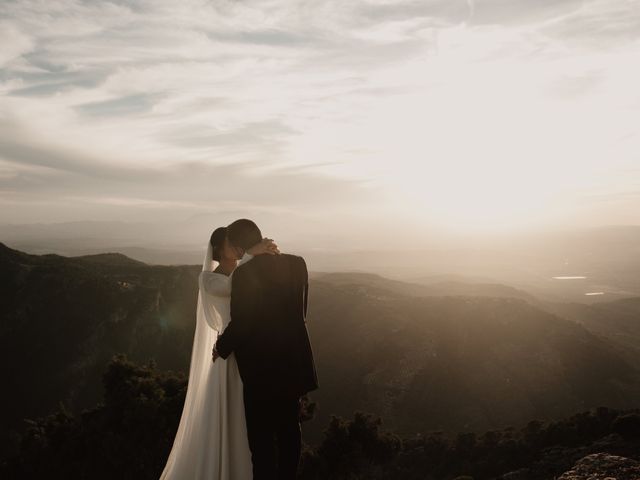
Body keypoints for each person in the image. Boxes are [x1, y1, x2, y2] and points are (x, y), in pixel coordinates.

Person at [159, 227, 279, 480]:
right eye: (230, 243)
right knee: (231, 413)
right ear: (218, 249)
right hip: (229, 356)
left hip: (252, 352)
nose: (236, 246)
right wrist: (252, 255)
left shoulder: (245, 271)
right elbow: (232, 288)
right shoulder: (208, 279)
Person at [212, 219, 319, 480]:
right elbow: (300, 313)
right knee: (290, 435)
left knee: (261, 442)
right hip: (293, 362)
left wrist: (221, 347)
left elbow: (243, 322)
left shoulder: (245, 274)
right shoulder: (298, 263)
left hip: (261, 370)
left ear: (239, 249)